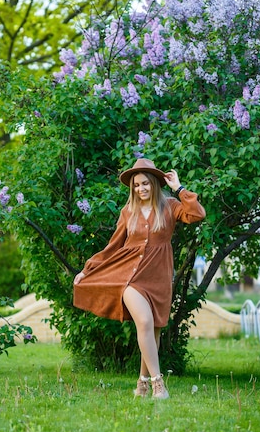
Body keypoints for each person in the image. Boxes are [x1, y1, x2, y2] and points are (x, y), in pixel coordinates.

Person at [73, 158, 206, 399]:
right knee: (144, 322)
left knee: (153, 330)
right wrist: (88, 269)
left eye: (145, 184)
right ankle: (158, 384)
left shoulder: (171, 206)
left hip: (159, 277)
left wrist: (179, 188)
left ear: (155, 183)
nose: (140, 189)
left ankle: (142, 384)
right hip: (129, 275)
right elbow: (113, 246)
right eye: (136, 185)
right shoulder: (128, 211)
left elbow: (197, 214)